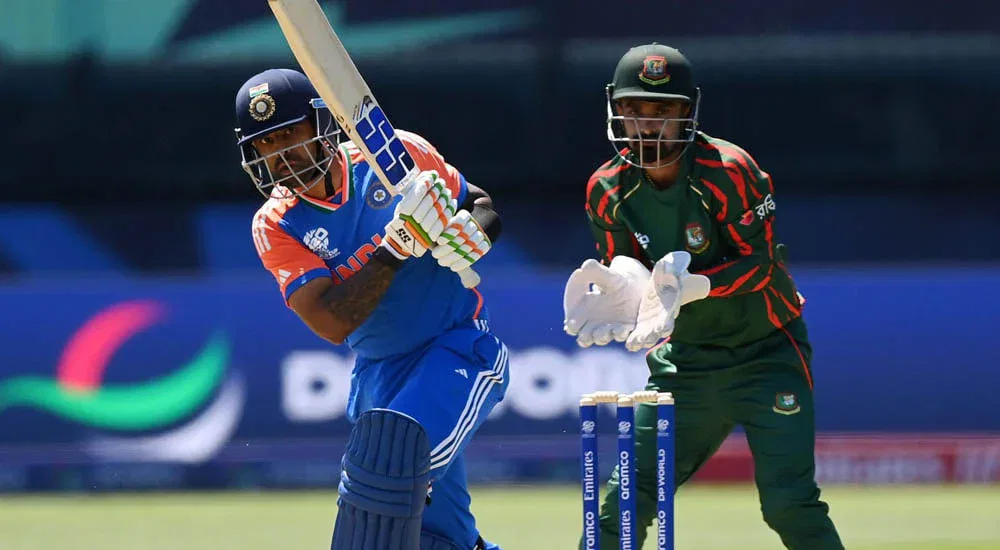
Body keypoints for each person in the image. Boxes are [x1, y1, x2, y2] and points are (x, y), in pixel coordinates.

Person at [562, 44, 845, 549]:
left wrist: (696, 286)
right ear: (616, 112)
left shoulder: (728, 170)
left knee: (790, 504)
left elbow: (761, 263)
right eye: (634, 110)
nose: (647, 126)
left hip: (767, 354)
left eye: (662, 111)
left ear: (687, 114)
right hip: (686, 365)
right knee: (623, 502)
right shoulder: (606, 189)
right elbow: (627, 268)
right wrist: (623, 291)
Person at [236, 68, 507, 550]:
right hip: (379, 376)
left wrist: (475, 230)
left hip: (458, 347)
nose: (279, 152)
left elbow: (476, 201)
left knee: (389, 470)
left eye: (290, 133)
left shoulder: (392, 153)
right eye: (266, 143)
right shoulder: (276, 223)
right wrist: (396, 245)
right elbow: (331, 321)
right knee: (436, 540)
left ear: (322, 124)